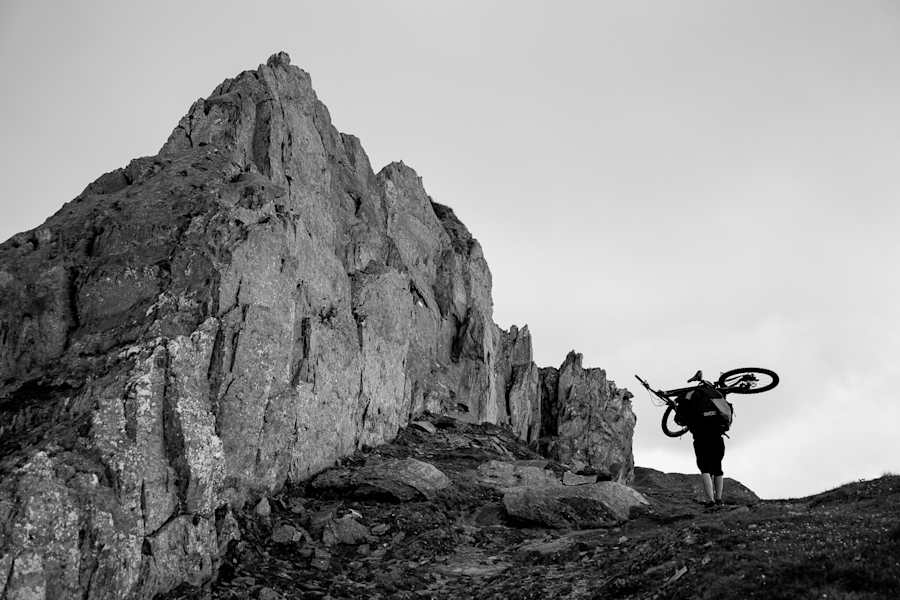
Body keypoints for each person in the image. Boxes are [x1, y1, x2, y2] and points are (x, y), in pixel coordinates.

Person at [674, 381, 728, 507]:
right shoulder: (714, 397)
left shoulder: (691, 399)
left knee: (705, 469)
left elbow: (681, 418)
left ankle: (711, 501)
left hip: (701, 439)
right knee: (718, 469)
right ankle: (719, 499)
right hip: (717, 437)